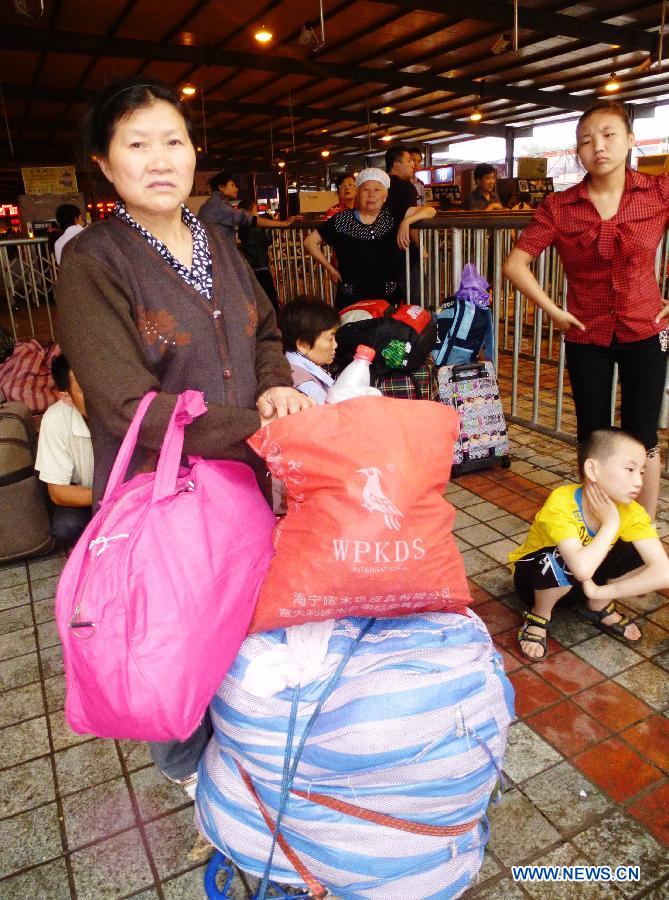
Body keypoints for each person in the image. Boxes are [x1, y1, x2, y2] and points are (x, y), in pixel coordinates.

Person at [55, 76, 312, 801]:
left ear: (194, 152)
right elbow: (123, 401)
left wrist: (273, 385)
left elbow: (264, 329)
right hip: (161, 496)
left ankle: (245, 762)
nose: (160, 158)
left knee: (241, 625)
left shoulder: (216, 240)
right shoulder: (93, 262)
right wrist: (256, 429)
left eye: (173, 140)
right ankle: (204, 783)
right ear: (104, 165)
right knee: (178, 641)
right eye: (136, 144)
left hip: (239, 486)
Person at [503, 99, 669, 518]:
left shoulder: (659, 192)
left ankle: (640, 529)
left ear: (630, 140)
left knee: (643, 434)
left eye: (609, 135)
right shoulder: (560, 207)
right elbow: (516, 264)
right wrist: (553, 311)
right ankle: (597, 523)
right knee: (592, 435)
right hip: (585, 333)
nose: (598, 146)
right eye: (586, 140)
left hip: (647, 328)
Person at [509, 428, 669, 660]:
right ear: (592, 469)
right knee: (564, 557)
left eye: (642, 472)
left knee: (641, 551)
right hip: (536, 582)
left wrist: (603, 591)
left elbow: (663, 572)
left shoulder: (632, 512)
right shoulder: (562, 501)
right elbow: (580, 568)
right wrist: (611, 523)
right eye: (630, 469)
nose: (638, 482)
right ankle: (539, 616)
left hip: (586, 585)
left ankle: (598, 604)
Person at [303, 168, 435, 311]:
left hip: (386, 297)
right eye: (365, 190)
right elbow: (309, 242)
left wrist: (407, 221)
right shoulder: (342, 219)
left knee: (385, 331)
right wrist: (330, 268)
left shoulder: (393, 215)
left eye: (377, 190)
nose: (371, 195)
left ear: (385, 196)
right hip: (351, 297)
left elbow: (430, 211)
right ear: (358, 194)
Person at [35, 354, 93, 547]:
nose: (97, 395)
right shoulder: (55, 420)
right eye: (83, 389)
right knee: (65, 526)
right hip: (90, 496)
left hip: (134, 493)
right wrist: (111, 497)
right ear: (66, 397)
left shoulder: (124, 407)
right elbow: (58, 492)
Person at [198, 171, 296, 244]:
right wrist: (284, 223)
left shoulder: (211, 205)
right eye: (232, 185)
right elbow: (247, 218)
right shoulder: (218, 206)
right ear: (221, 187)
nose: (236, 189)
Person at [280, 297, 339, 404]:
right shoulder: (308, 387)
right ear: (303, 344)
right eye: (330, 339)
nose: (335, 345)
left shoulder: (287, 367)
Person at [237, 198, 280, 312]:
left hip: (252, 265)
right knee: (269, 296)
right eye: (255, 210)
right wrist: (269, 230)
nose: (257, 213)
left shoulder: (242, 227)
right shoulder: (252, 228)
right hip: (260, 266)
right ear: (249, 212)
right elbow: (265, 242)